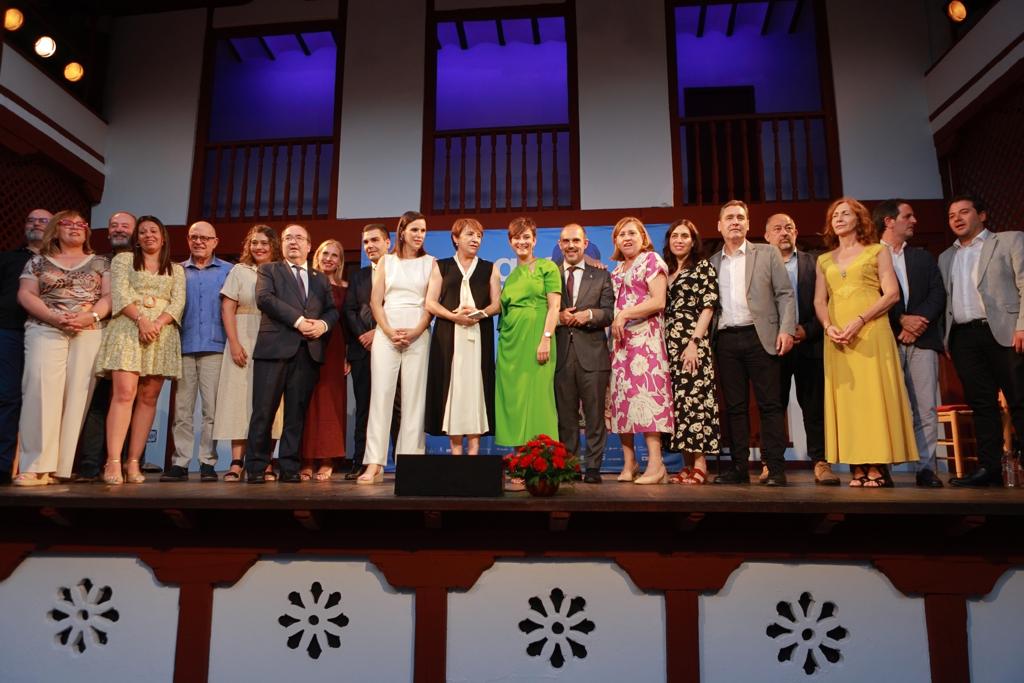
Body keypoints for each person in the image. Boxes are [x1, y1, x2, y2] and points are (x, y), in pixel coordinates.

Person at [814, 198, 917, 487]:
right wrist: (828, 326)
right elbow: (819, 300)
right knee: (848, 402)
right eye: (835, 215)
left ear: (859, 219)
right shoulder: (824, 260)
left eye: (846, 213)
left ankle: (878, 465)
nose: (839, 218)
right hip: (837, 337)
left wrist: (859, 320)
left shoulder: (877, 251)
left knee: (874, 398)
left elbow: (892, 294)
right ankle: (857, 466)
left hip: (871, 331)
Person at [13, 211, 110, 485]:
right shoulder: (37, 261)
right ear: (55, 230)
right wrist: (54, 317)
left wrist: (89, 317)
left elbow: (109, 296)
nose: (76, 227)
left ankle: (59, 468)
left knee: (77, 396)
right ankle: (35, 465)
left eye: (82, 224)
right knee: (40, 391)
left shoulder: (101, 261)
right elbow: (25, 294)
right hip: (46, 327)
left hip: (88, 331)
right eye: (69, 223)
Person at [939, 194, 1024, 487]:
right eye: (952, 216)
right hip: (964, 337)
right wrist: (948, 339)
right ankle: (989, 470)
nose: (957, 219)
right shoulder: (946, 256)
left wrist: (1022, 326)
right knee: (981, 404)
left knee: (1019, 399)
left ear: (982, 215)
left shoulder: (1010, 240)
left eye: (964, 212)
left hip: (1004, 331)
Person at [94, 216, 185, 485]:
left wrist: (157, 322)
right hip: (129, 329)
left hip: (162, 332)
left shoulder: (176, 269)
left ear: (163, 236)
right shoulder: (123, 260)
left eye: (153, 231)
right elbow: (120, 294)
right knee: (124, 394)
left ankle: (132, 461)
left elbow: (178, 302)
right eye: (142, 232)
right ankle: (112, 460)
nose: (148, 235)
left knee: (149, 398)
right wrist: (141, 320)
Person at [245, 224, 338, 484]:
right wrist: (299, 321)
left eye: (299, 238)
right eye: (288, 238)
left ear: (309, 246)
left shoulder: (320, 278)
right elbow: (265, 299)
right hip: (274, 350)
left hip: (307, 352)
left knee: (296, 414)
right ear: (282, 245)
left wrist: (322, 325)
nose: (293, 242)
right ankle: (256, 466)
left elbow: (331, 310)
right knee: (264, 410)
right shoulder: (268, 270)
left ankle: (289, 466)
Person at [710, 200, 795, 487]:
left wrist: (787, 330)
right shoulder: (712, 262)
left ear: (748, 224)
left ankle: (775, 467)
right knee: (734, 407)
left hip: (762, 337)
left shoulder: (767, 253)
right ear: (719, 226)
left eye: (740, 218)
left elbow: (785, 294)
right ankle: (738, 467)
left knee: (770, 405)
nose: (735, 222)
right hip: (726, 340)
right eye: (729, 218)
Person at [875, 200, 947, 488]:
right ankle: (883, 467)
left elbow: (937, 294)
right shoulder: (870, 255)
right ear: (889, 221)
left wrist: (917, 323)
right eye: (908, 216)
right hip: (886, 339)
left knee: (926, 407)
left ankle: (926, 468)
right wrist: (900, 321)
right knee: (887, 405)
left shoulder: (922, 257)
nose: (914, 220)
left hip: (922, 339)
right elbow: (869, 296)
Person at [764, 213, 839, 485]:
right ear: (766, 236)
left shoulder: (815, 262)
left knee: (814, 406)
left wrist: (808, 329)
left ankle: (820, 461)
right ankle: (770, 463)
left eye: (789, 228)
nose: (784, 233)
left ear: (796, 233)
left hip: (810, 343)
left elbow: (828, 304)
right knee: (772, 407)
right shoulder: (760, 264)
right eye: (778, 229)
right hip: (773, 346)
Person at [360, 212, 434, 485]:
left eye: (423, 230)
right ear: (402, 231)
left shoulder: (431, 263)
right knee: (380, 396)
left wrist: (415, 331)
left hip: (418, 332)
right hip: (387, 331)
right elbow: (375, 301)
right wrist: (389, 331)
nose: (419, 235)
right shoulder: (386, 262)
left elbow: (430, 304)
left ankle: (410, 462)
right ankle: (375, 463)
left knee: (415, 399)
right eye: (415, 229)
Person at [75, 211, 144, 482]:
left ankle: (126, 460)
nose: (117, 229)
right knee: (97, 400)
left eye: (124, 226)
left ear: (136, 231)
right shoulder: (99, 262)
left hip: (131, 337)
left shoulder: (143, 264)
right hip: (97, 334)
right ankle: (90, 463)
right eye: (113, 225)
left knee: (130, 398)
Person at [212, 225, 283, 482]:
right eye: (254, 242)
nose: (259, 247)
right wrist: (234, 342)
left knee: (272, 401)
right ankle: (236, 461)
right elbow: (227, 308)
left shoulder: (280, 271)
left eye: (264, 242)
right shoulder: (239, 271)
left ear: (273, 245)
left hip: (271, 337)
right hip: (242, 335)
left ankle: (265, 461)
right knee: (239, 399)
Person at [162, 221, 230, 482]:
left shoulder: (228, 271)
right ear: (188, 240)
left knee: (212, 411)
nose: (199, 242)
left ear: (215, 241)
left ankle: (207, 463)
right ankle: (179, 462)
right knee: (182, 411)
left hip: (215, 347)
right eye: (194, 237)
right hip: (183, 347)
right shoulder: (176, 271)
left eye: (205, 238)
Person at [425, 218, 500, 455]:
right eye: (470, 234)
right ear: (456, 238)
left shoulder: (490, 268)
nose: (475, 239)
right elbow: (430, 302)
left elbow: (496, 304)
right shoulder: (442, 266)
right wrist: (453, 317)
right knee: (453, 387)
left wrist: (479, 313)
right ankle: (455, 450)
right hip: (449, 336)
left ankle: (474, 450)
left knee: (476, 387)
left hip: (479, 336)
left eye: (479, 235)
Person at [608, 217, 673, 485]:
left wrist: (624, 314)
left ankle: (656, 466)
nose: (627, 237)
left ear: (643, 237)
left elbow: (658, 301)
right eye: (621, 234)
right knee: (622, 402)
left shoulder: (652, 261)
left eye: (632, 233)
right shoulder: (615, 271)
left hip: (646, 341)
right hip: (621, 345)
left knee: (648, 400)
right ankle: (629, 463)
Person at [495, 216, 561, 451]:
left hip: (535, 337)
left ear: (534, 240)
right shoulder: (511, 276)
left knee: (538, 397)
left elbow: (554, 307)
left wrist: (546, 338)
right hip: (510, 344)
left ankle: (540, 458)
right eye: (516, 237)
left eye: (526, 237)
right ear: (510, 242)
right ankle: (519, 459)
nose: (521, 241)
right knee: (515, 398)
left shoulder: (547, 267)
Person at [554, 223, 613, 483]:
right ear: (559, 244)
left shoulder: (601, 275)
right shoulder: (550, 274)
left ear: (585, 244)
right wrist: (558, 316)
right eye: (566, 241)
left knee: (594, 417)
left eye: (576, 240)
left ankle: (592, 468)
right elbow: (541, 312)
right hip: (561, 357)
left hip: (593, 356)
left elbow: (609, 313)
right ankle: (570, 467)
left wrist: (588, 315)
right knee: (565, 418)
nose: (571, 245)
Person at [661, 219, 719, 485]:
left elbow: (708, 307)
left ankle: (700, 464)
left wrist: (695, 342)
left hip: (691, 341)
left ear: (693, 241)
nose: (679, 240)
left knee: (694, 401)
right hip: (668, 344)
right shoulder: (667, 270)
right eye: (675, 236)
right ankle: (685, 463)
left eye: (685, 236)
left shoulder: (702, 267)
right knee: (677, 405)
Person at [343, 224, 399, 480]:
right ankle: (360, 462)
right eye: (366, 242)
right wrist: (363, 336)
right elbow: (350, 310)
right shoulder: (359, 276)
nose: (370, 246)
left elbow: (403, 307)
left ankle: (403, 463)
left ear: (389, 242)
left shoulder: (400, 272)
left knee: (398, 407)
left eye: (375, 240)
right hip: (362, 350)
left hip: (394, 345)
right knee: (365, 406)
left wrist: (379, 332)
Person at [0, 208, 50, 484]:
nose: (36, 224)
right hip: (10, 330)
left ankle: (37, 465)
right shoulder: (9, 259)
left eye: (43, 221)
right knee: (7, 397)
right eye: (31, 220)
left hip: (46, 334)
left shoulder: (58, 261)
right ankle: (3, 463)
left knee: (39, 399)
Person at [300, 238, 350, 480]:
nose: (329, 258)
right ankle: (307, 459)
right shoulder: (305, 282)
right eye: (325, 253)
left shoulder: (345, 287)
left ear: (340, 261)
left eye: (335, 255)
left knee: (330, 402)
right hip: (307, 344)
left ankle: (328, 459)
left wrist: (348, 354)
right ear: (316, 255)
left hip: (335, 347)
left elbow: (349, 323)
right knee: (307, 401)